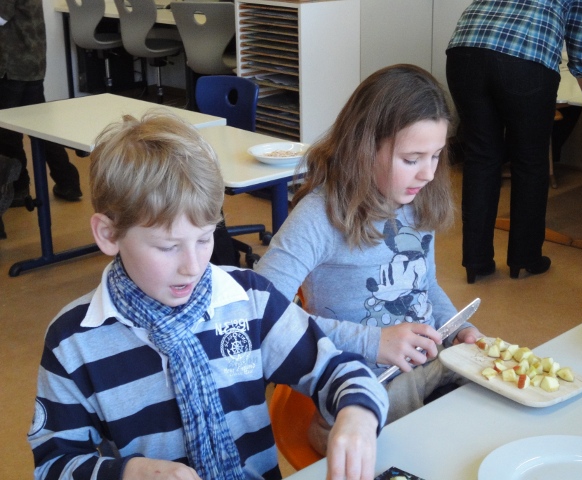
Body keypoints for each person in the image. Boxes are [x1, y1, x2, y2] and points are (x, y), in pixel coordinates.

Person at [27, 112, 388, 480]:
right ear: (108, 234)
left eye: (204, 238)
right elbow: (54, 465)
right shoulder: (72, 341)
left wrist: (357, 413)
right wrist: (130, 472)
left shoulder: (250, 300)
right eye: (168, 247)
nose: (193, 265)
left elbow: (337, 369)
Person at [255, 64, 483, 453]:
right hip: (362, 390)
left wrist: (457, 329)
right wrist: (373, 341)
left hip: (428, 366)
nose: (428, 174)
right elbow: (259, 313)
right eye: (412, 159)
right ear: (364, 148)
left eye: (436, 156)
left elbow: (424, 286)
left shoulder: (416, 198)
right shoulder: (320, 216)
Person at [445, 0, 582, 283]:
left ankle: (476, 262)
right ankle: (525, 258)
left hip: (466, 49)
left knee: (481, 157)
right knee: (530, 161)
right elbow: (581, 38)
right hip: (525, 59)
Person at [0, 0, 83, 206]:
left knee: (8, 132)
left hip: (12, 66)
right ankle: (67, 182)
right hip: (32, 62)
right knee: (42, 128)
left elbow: (1, 17)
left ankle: (18, 189)